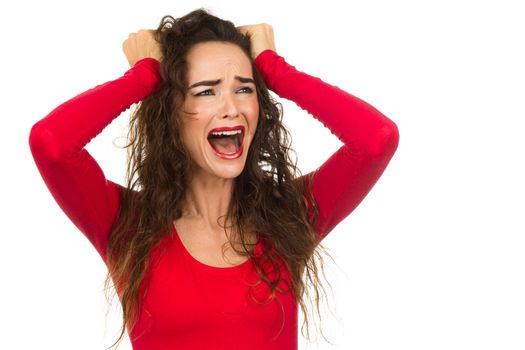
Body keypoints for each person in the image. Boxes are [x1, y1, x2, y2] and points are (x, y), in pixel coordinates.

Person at [28, 8, 399, 350]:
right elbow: (52, 144)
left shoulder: (290, 216)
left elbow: (375, 140)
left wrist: (277, 69)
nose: (231, 108)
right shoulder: (126, 224)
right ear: (170, 114)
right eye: (206, 91)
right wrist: (143, 76)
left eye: (244, 88)